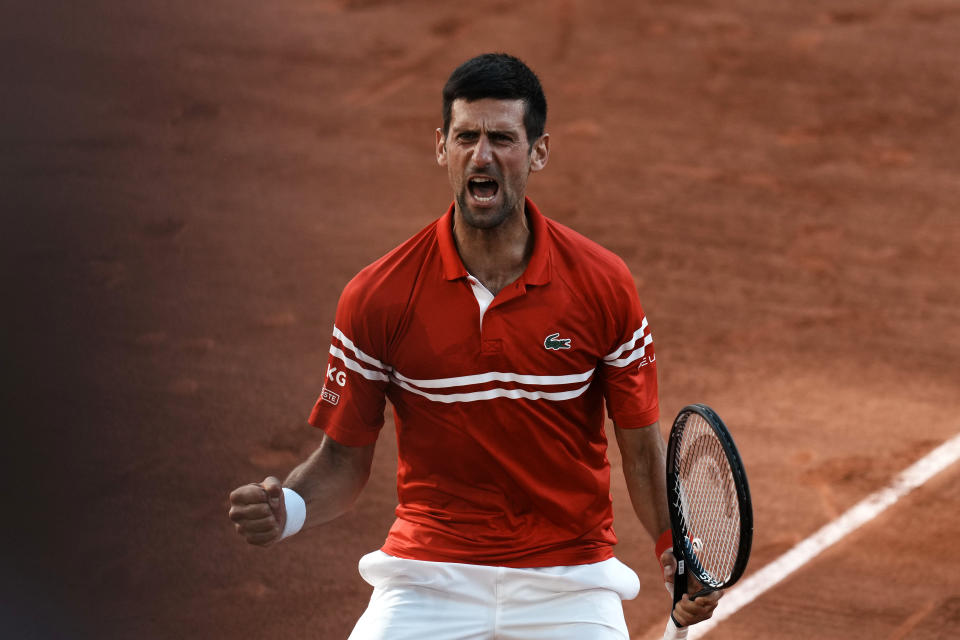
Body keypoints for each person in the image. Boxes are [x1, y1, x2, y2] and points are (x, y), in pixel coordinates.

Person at [228, 52, 721, 639]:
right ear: (442, 147)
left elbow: (640, 452)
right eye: (466, 136)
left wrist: (676, 553)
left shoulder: (602, 284)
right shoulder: (378, 296)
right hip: (428, 576)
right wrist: (290, 508)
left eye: (502, 138)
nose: (481, 155)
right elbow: (342, 459)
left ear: (537, 151)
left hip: (568, 580)